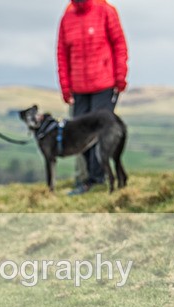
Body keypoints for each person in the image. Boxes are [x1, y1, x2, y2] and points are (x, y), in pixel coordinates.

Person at [57, 0, 128, 195]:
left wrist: (120, 76)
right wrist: (65, 86)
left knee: (102, 134)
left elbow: (119, 44)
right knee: (79, 135)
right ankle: (89, 178)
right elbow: (62, 54)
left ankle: (98, 178)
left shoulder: (106, 11)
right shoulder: (68, 16)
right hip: (79, 88)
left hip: (104, 84)